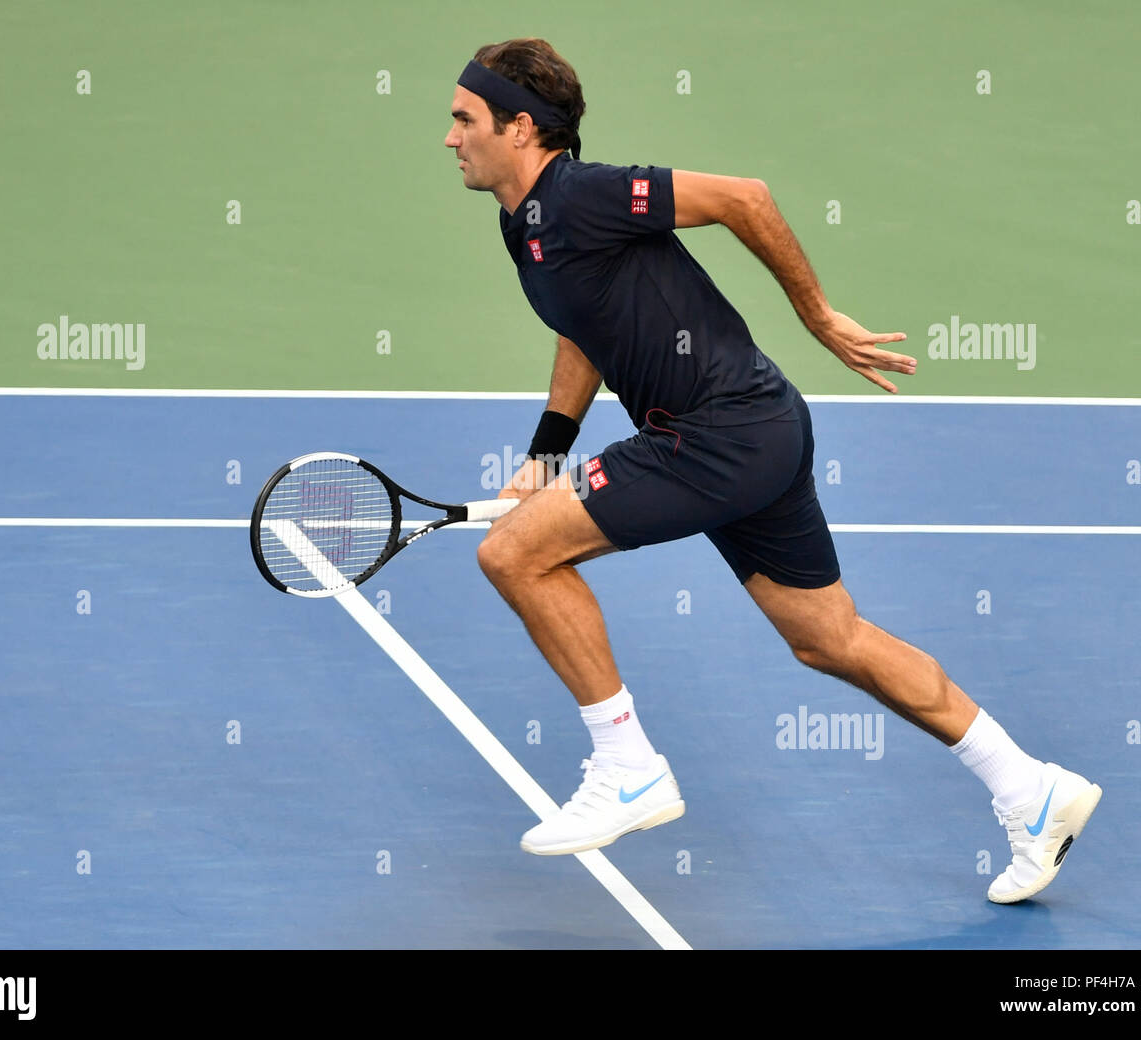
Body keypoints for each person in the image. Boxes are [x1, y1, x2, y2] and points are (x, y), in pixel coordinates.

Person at [445, 38, 1100, 903]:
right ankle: (1032, 788)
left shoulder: (585, 193)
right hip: (761, 429)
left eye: (465, 119)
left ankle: (628, 767)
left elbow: (743, 197)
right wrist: (545, 454)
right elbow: (583, 325)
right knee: (827, 639)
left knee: (516, 555)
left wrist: (819, 315)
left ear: (520, 127)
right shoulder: (521, 223)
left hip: (716, 435)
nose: (451, 137)